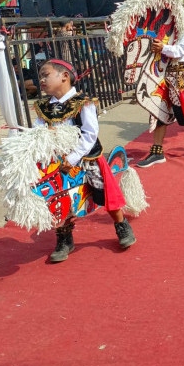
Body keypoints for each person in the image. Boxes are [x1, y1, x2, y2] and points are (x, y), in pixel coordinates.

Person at [35, 59, 136, 262]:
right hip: (56, 160)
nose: (41, 80)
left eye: (46, 75)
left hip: (85, 158)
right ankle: (64, 237)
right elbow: (39, 133)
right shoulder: (43, 107)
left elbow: (89, 135)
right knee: (55, 196)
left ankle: (121, 224)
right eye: (40, 77)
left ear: (64, 76)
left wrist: (72, 158)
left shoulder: (84, 102)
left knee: (102, 190)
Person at [136, 16, 184, 167]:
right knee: (158, 110)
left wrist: (163, 48)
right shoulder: (162, 25)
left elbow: (183, 50)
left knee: (181, 112)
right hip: (162, 74)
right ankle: (157, 151)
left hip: (179, 74)